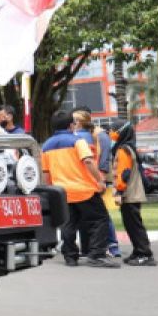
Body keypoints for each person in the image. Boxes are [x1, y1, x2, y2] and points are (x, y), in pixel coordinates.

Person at [41, 110, 116, 267]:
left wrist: (51, 190)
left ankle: (70, 256)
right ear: (71, 125)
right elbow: (88, 161)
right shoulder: (77, 141)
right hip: (84, 189)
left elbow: (46, 173)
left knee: (68, 224)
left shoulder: (46, 146)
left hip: (62, 192)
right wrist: (100, 180)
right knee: (99, 220)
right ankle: (96, 255)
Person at [73, 109, 120, 257]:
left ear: (79, 122)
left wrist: (102, 177)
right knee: (98, 214)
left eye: (73, 120)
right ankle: (106, 245)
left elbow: (103, 157)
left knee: (101, 214)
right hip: (93, 179)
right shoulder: (91, 134)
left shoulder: (92, 135)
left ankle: (111, 245)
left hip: (94, 179)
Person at [110, 123, 156, 266]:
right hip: (132, 192)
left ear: (121, 132)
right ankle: (138, 251)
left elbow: (124, 173)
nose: (111, 133)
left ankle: (144, 254)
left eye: (113, 130)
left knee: (134, 225)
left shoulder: (123, 150)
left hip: (129, 193)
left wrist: (119, 191)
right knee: (131, 224)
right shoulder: (128, 147)